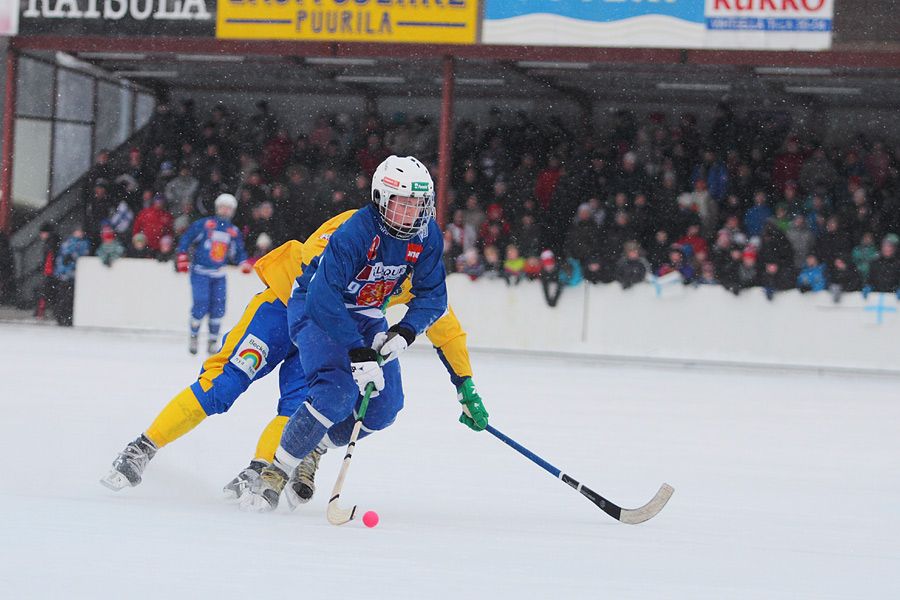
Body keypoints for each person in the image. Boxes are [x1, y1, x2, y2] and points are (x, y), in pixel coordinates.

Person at [101, 162, 488, 511]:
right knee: (225, 382)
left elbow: (442, 320)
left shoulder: (417, 254)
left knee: (302, 404)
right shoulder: (352, 232)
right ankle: (142, 447)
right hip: (287, 306)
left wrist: (464, 382)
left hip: (338, 324)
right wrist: (353, 346)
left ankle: (262, 467)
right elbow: (317, 282)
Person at [240, 155, 454, 513]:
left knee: (385, 408)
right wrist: (358, 352)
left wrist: (404, 332)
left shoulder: (428, 234)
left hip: (368, 314)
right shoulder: (356, 231)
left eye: (420, 204)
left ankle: (317, 444)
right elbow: (324, 297)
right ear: (382, 200)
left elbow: (434, 297)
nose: (413, 213)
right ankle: (274, 473)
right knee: (335, 394)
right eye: (403, 203)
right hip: (316, 308)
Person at [176, 193, 251, 355]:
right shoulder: (205, 224)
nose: (225, 211)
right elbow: (186, 239)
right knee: (201, 303)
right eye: (223, 207)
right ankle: (194, 336)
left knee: (218, 307)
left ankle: (212, 340)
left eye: (229, 208)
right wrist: (182, 258)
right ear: (217, 208)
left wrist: (243, 263)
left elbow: (238, 252)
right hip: (200, 272)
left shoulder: (233, 231)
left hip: (219, 274)